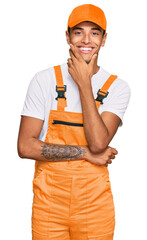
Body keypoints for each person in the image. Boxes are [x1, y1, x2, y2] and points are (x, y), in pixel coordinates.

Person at [17, 4, 131, 240]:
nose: (86, 39)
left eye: (95, 32)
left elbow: (99, 144)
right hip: (48, 206)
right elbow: (25, 147)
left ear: (104, 38)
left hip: (95, 208)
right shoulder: (44, 80)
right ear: (67, 36)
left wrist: (84, 84)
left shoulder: (117, 88)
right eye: (78, 32)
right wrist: (84, 153)